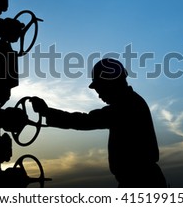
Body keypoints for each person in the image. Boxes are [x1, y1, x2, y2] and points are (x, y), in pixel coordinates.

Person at [31, 58, 167, 187]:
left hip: (139, 182)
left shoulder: (126, 107)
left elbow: (85, 121)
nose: (99, 95)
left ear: (110, 84)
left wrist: (47, 112)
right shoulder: (133, 102)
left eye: (99, 88)